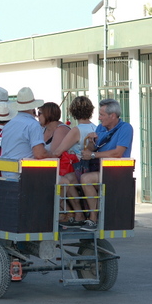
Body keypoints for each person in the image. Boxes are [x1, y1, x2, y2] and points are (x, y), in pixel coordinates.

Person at [79, 99, 133, 231]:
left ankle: (93, 218)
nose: (99, 118)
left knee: (86, 179)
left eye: (102, 115)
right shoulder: (100, 128)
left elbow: (118, 153)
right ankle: (77, 216)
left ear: (112, 115)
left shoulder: (126, 128)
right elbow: (93, 149)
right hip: (99, 168)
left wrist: (92, 155)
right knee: (69, 178)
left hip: (116, 171)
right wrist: (91, 142)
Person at [52, 96, 97, 225]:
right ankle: (79, 213)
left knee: (65, 179)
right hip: (90, 169)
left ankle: (76, 212)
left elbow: (57, 152)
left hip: (78, 170)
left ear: (73, 112)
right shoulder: (96, 128)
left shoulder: (77, 130)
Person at [0, 87, 50, 178]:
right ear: (32, 107)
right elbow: (39, 154)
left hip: (5, 170)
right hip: (23, 172)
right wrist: (53, 155)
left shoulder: (9, 124)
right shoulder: (33, 125)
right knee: (63, 182)